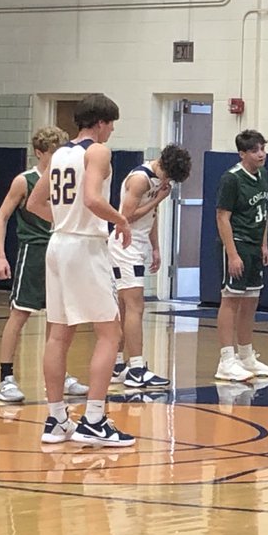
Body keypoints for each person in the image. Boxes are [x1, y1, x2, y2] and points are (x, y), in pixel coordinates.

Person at [27, 93, 135, 447]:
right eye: (112, 124)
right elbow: (92, 198)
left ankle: (57, 418)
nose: (112, 131)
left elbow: (34, 202)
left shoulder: (59, 153)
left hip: (57, 245)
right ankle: (94, 419)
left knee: (59, 334)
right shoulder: (97, 151)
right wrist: (119, 219)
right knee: (109, 332)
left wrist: (64, 221)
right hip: (85, 246)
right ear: (101, 123)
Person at [0, 126, 93, 404]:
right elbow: (1, 217)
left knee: (59, 318)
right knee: (19, 314)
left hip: (61, 251)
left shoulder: (66, 178)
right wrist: (0, 255)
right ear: (39, 153)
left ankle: (59, 376)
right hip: (33, 252)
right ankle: (6, 378)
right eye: (52, 153)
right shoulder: (25, 181)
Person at [108, 144, 192, 389]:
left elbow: (150, 215)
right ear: (163, 166)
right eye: (169, 176)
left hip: (139, 245)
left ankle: (118, 365)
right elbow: (125, 216)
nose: (168, 182)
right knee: (136, 307)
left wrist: (155, 247)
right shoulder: (140, 179)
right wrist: (159, 198)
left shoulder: (157, 180)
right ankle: (136, 369)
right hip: (125, 247)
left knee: (125, 308)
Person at [214, 129, 268, 382]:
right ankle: (226, 360)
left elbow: (264, 212)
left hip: (254, 245)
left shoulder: (262, 175)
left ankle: (246, 355)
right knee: (231, 299)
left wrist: (264, 244)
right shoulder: (231, 179)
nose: (261, 154)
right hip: (237, 243)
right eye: (255, 150)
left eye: (263, 149)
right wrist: (232, 253)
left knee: (251, 299)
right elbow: (222, 216)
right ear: (242, 154)